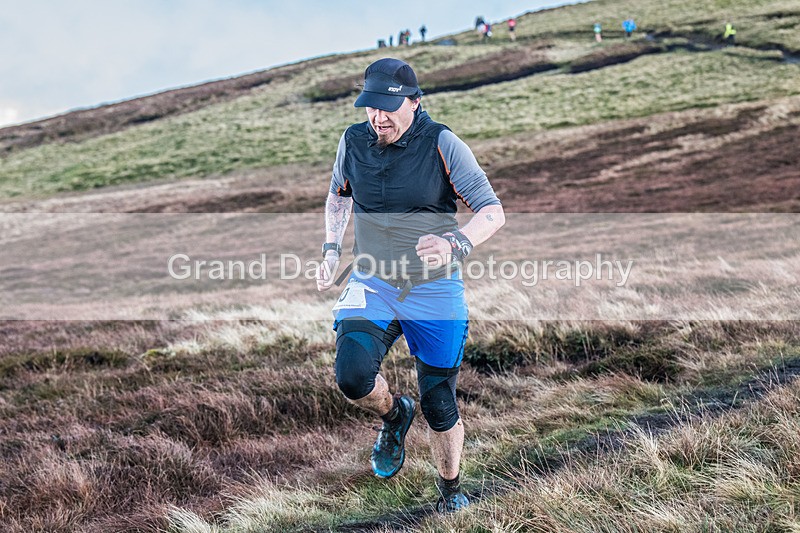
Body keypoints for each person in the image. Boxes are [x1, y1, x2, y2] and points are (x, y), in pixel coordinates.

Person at [316, 58, 504, 513]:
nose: (377, 116)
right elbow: (337, 196)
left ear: (414, 103)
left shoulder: (441, 142)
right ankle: (394, 414)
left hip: (434, 288)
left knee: (439, 402)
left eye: (388, 107)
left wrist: (456, 242)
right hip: (373, 280)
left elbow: (492, 211)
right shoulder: (353, 141)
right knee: (352, 375)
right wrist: (330, 249)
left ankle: (451, 490)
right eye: (370, 107)